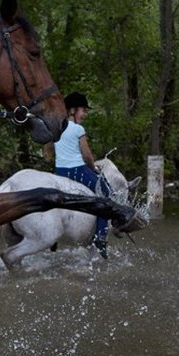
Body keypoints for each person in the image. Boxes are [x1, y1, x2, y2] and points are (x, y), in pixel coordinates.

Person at [48, 91, 112, 259]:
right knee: (106, 194)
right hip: (77, 170)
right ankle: (101, 237)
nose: (85, 114)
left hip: (60, 172)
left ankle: (53, 240)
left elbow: (49, 151)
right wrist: (94, 169)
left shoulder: (56, 127)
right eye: (83, 110)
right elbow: (87, 155)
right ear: (72, 110)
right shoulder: (78, 129)